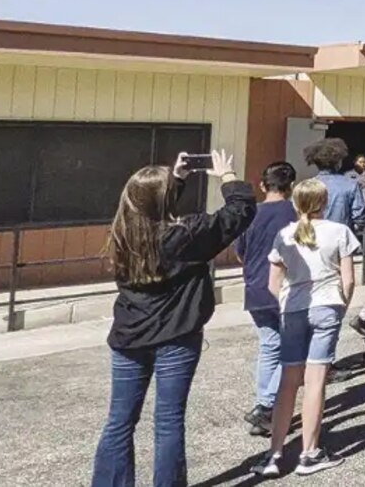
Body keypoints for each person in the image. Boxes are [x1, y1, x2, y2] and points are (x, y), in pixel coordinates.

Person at [93, 150, 255, 487]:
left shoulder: (124, 234)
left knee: (119, 421)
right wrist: (227, 176)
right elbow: (239, 212)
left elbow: (153, 212)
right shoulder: (184, 235)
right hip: (175, 337)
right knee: (167, 421)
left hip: (129, 336)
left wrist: (176, 180)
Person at [258, 175, 361, 476]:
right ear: (324, 202)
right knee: (315, 381)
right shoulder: (339, 231)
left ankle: (274, 454)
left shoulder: (285, 234)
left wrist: (283, 308)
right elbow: (349, 279)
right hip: (327, 304)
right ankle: (309, 453)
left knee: (288, 381)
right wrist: (341, 304)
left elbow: (273, 282)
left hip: (293, 309)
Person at [235, 160, 299, 438]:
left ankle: (264, 404)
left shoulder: (250, 214)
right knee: (293, 350)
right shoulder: (294, 214)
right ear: (292, 186)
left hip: (255, 288)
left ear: (262, 185)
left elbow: (241, 251)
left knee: (269, 346)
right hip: (285, 289)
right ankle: (267, 405)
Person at [303, 138, 365, 237]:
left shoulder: (307, 186)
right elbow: (359, 217)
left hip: (312, 237)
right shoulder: (350, 184)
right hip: (340, 238)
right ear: (338, 163)